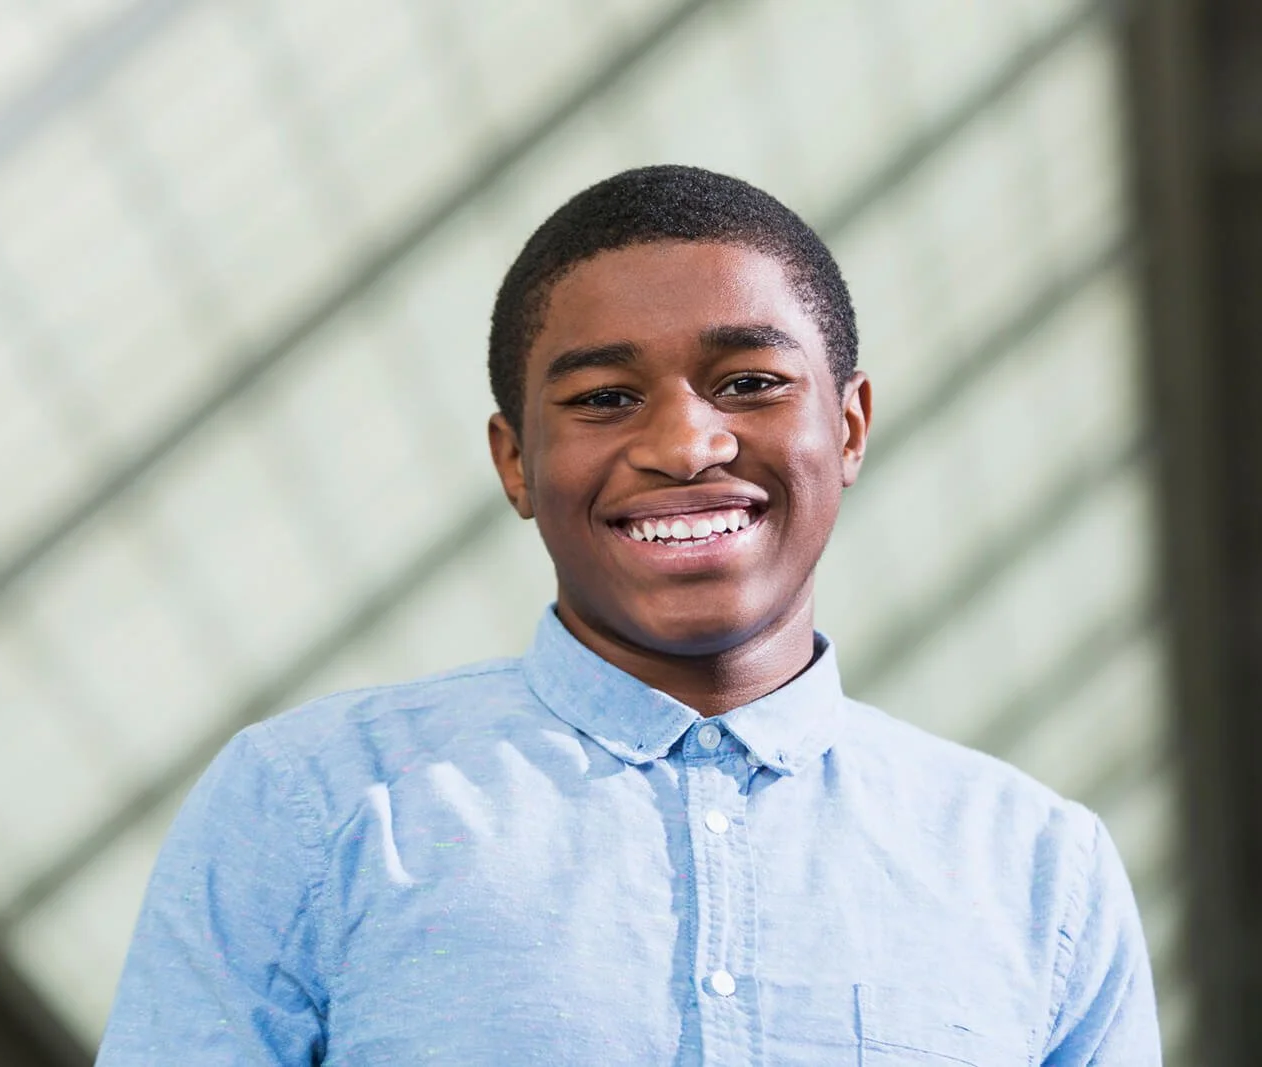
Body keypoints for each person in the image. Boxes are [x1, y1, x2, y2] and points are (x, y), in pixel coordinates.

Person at [97, 164, 1160, 1064]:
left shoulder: (1035, 865)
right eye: (603, 397)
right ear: (516, 460)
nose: (684, 444)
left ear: (848, 426)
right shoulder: (313, 804)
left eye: (748, 381)